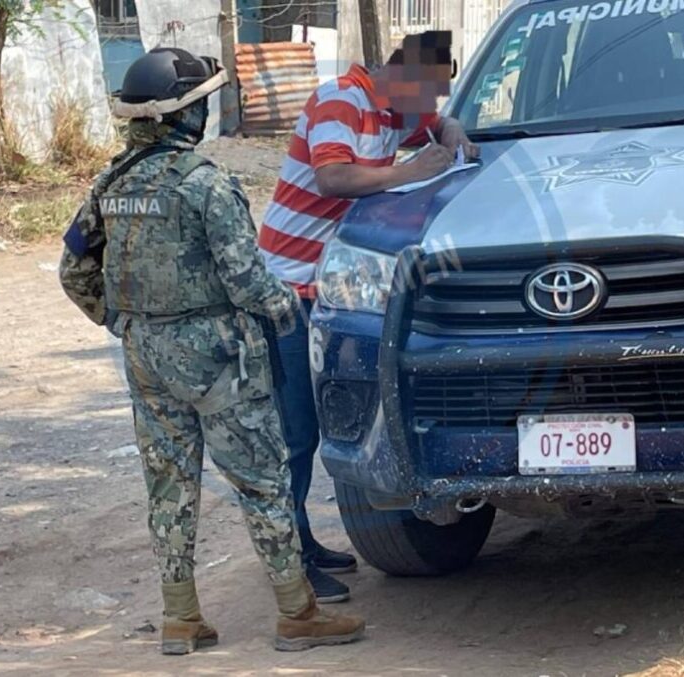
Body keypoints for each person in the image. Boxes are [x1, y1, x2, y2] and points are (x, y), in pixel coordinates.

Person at [58, 47, 365, 654]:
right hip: (221, 357)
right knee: (263, 479)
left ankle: (180, 620)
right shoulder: (207, 185)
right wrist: (288, 313)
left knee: (169, 485)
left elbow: (73, 271)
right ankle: (297, 613)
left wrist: (122, 320)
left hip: (146, 355)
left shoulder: (110, 185)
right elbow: (248, 279)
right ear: (185, 115)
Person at [257, 30, 480, 603]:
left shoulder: (393, 109)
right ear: (397, 75)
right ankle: (290, 562)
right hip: (286, 290)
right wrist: (408, 173)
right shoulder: (342, 100)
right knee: (295, 432)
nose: (427, 110)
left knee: (325, 419)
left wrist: (450, 132)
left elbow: (436, 127)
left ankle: (300, 544)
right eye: (426, 95)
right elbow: (334, 178)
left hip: (323, 288)